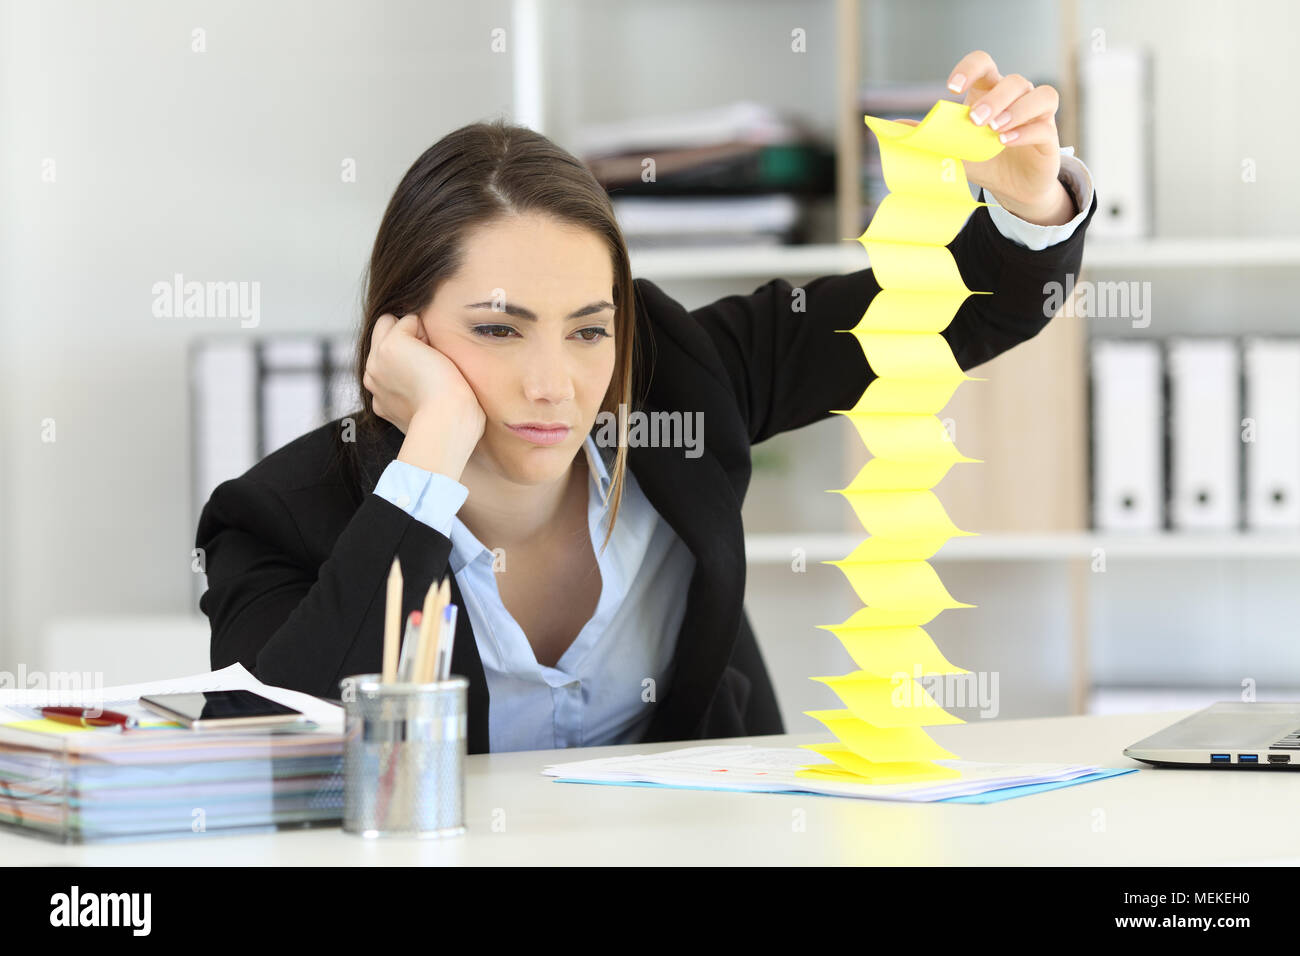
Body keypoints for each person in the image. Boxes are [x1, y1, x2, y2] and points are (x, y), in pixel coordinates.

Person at [197, 51, 1098, 754]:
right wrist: (432, 446)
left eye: (589, 329)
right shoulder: (281, 516)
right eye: (500, 331)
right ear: (407, 333)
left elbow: (957, 310)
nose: (555, 384)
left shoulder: (685, 381)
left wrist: (1029, 199)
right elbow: (259, 745)